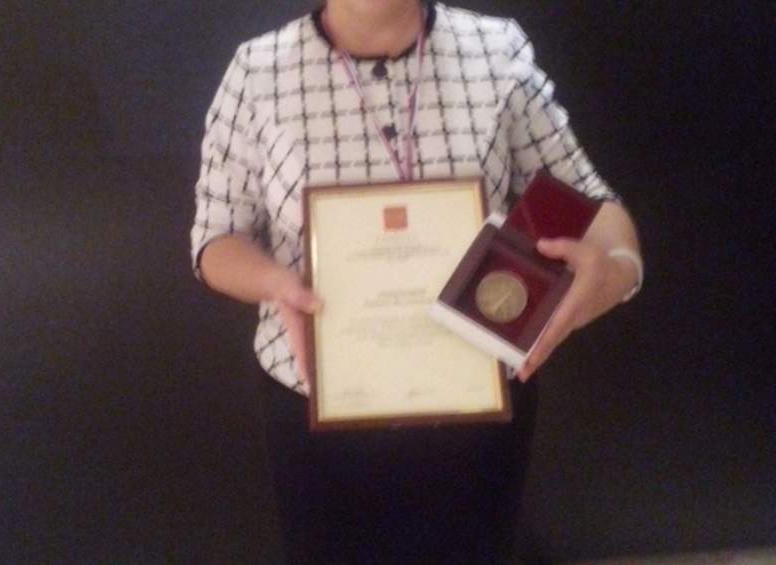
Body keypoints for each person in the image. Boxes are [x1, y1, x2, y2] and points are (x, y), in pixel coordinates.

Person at [190, 1, 642, 562]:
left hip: (476, 397)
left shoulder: (495, 50)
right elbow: (216, 237)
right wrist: (275, 282)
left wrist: (620, 268)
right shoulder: (257, 71)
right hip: (315, 401)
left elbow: (590, 199)